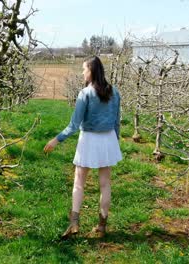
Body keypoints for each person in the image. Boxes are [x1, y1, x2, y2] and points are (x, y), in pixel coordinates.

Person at [43, 56, 122, 239]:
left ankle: (74, 223)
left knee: (79, 182)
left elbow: (73, 124)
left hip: (89, 139)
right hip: (108, 138)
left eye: (84, 69)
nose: (82, 72)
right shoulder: (115, 92)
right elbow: (117, 121)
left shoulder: (85, 93)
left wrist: (56, 140)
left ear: (92, 71)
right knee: (105, 184)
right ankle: (102, 227)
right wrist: (114, 142)